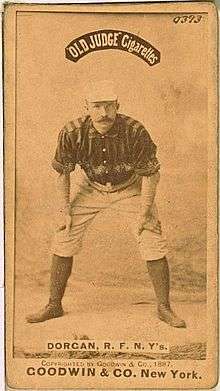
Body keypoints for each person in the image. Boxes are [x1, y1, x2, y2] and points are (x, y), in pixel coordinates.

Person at [26, 80, 186, 328]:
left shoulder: (134, 131)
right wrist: (64, 211)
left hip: (130, 186)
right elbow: (63, 173)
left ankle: (164, 308)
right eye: (97, 106)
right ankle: (54, 304)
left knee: (152, 238)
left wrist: (145, 212)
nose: (103, 113)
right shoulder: (72, 132)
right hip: (91, 186)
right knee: (63, 235)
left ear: (117, 106)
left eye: (109, 106)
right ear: (87, 107)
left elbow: (151, 174)